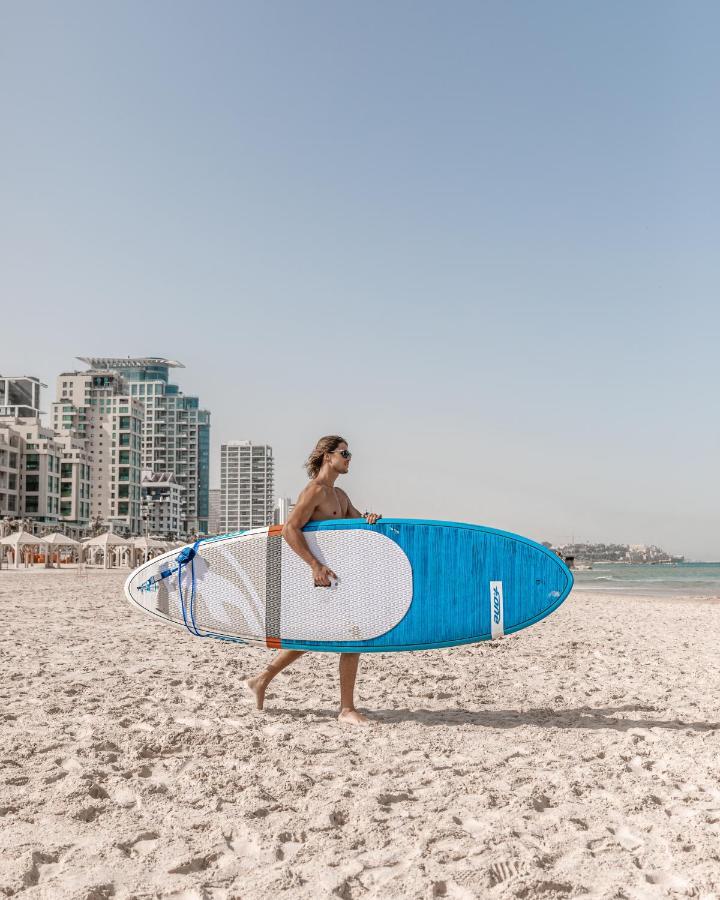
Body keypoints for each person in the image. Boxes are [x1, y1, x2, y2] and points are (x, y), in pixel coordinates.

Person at [246, 435, 381, 726]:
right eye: (345, 452)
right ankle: (346, 709)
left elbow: (359, 526)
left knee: (314, 636)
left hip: (338, 577)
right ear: (327, 456)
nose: (349, 458)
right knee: (349, 637)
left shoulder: (340, 496)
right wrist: (314, 565)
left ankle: (261, 679)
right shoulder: (315, 491)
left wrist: (369, 518)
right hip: (321, 577)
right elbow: (290, 529)